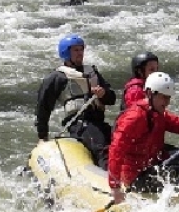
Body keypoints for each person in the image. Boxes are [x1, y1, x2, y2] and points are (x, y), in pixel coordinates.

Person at [108, 72, 179, 204]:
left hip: (152, 166)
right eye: (163, 97)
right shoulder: (134, 118)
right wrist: (115, 187)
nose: (167, 102)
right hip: (136, 178)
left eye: (169, 98)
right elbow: (116, 151)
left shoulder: (158, 113)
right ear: (149, 93)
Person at [35, 34, 117, 169]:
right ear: (66, 53)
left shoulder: (92, 72)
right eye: (76, 50)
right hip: (79, 125)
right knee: (101, 147)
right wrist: (42, 136)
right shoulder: (57, 77)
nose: (80, 53)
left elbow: (112, 99)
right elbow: (43, 108)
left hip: (99, 123)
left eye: (81, 50)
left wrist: (103, 94)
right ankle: (110, 182)